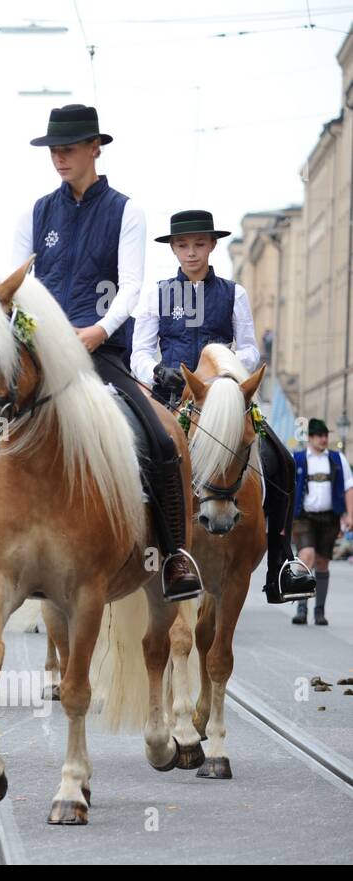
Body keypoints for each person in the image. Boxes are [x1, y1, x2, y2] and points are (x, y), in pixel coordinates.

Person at [0, 103, 201, 601]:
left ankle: (172, 556)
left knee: (161, 436)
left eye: (67, 149)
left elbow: (132, 287)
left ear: (94, 148)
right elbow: (15, 284)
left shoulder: (127, 211)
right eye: (53, 151)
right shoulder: (36, 212)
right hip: (40, 356)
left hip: (102, 352)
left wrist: (99, 331)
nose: (59, 159)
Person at [132, 210, 315, 604]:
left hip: (228, 396)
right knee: (135, 456)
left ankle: (281, 562)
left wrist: (230, 370)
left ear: (212, 245)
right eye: (183, 245)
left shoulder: (234, 293)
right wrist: (158, 371)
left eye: (199, 244)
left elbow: (249, 346)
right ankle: (135, 551)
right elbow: (139, 353)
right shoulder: (157, 293)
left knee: (279, 457)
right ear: (174, 248)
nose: (191, 252)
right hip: (175, 397)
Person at [292, 419, 353, 626]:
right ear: (310, 438)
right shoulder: (298, 459)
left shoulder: (337, 459)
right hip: (304, 517)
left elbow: (348, 487)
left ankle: (319, 611)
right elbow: (289, 490)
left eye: (326, 435)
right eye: (320, 435)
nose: (324, 439)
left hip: (329, 517)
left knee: (322, 563)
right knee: (305, 557)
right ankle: (301, 607)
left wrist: (350, 514)